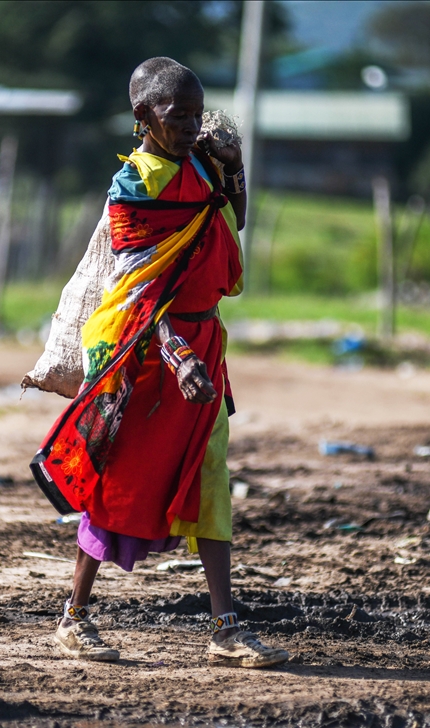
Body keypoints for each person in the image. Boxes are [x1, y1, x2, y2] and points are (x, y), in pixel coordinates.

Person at [31, 57, 289, 668]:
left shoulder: (202, 164)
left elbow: (231, 225)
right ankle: (74, 618)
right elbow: (138, 292)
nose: (192, 126)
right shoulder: (133, 188)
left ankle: (225, 628)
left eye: (198, 114)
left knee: (211, 476)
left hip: (205, 351)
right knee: (117, 479)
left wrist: (234, 167)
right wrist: (177, 359)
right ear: (143, 116)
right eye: (178, 117)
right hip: (144, 357)